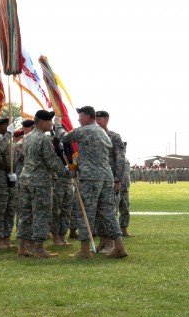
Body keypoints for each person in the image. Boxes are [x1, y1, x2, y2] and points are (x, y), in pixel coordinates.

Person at [54, 106, 128, 258]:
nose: (78, 120)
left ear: (87, 117)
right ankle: (119, 246)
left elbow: (64, 137)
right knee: (108, 213)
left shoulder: (86, 130)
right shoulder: (102, 132)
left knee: (85, 212)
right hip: (106, 178)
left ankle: (85, 250)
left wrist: (57, 124)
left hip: (90, 178)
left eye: (80, 117)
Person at [17, 110, 68, 258]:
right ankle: (39, 249)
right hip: (40, 182)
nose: (52, 124)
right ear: (43, 122)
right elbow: (51, 160)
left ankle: (22, 247)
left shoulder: (27, 138)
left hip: (26, 179)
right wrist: (66, 172)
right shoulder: (44, 139)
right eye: (50, 122)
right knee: (41, 214)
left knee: (25, 214)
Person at [94, 110, 126, 253]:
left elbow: (120, 158)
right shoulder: (94, 135)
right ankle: (103, 241)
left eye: (99, 119)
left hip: (111, 179)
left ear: (106, 120)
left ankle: (111, 244)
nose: (97, 122)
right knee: (98, 212)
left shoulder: (114, 136)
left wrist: (118, 179)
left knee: (109, 211)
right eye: (95, 119)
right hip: (98, 179)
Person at [0, 118, 17, 250]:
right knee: (0, 210)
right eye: (6, 125)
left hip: (10, 177)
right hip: (0, 177)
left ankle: (7, 237)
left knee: (10, 209)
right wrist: (8, 135)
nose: (8, 127)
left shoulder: (11, 142)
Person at [119, 142, 132, 236]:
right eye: (122, 147)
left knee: (125, 210)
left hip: (125, 189)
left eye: (125, 147)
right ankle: (111, 232)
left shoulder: (127, 161)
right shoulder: (114, 159)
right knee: (112, 211)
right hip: (116, 188)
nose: (124, 149)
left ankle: (124, 229)